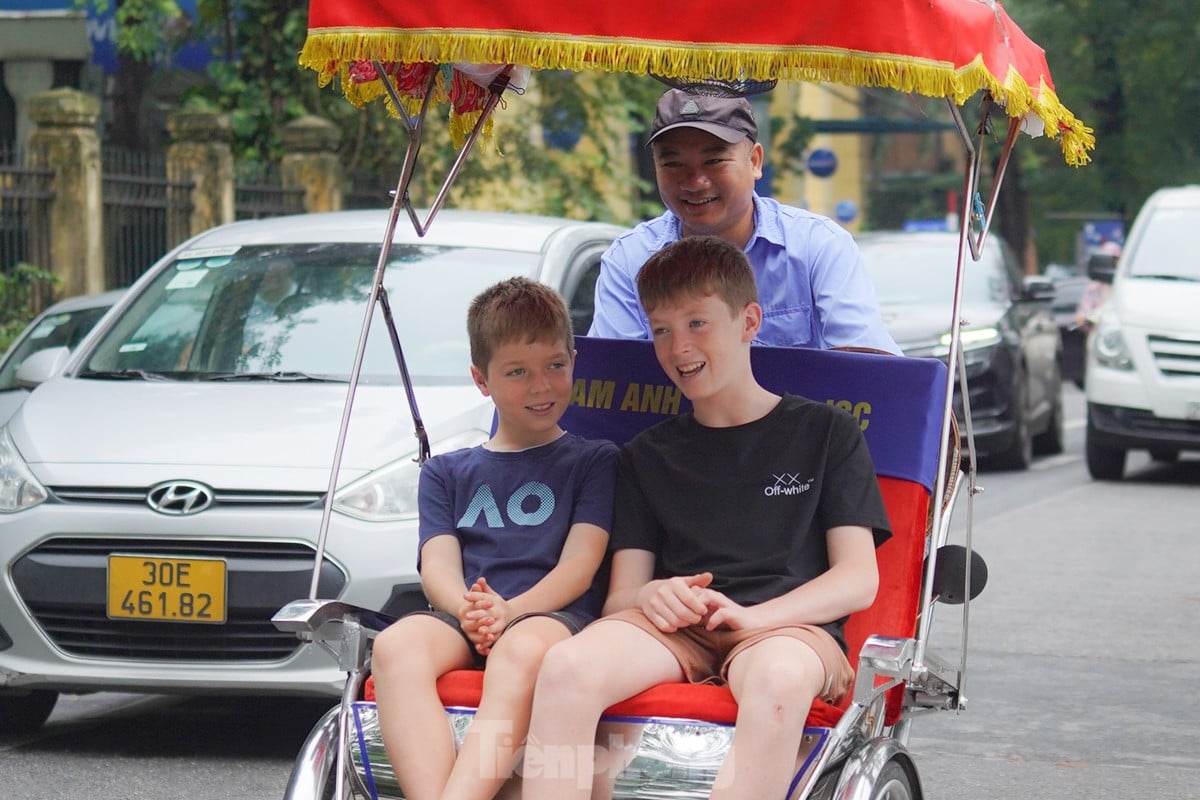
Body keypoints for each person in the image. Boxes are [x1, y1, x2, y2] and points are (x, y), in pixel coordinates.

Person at [522, 236, 893, 800]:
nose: (678, 347)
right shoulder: (645, 454)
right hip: (676, 629)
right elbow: (623, 595)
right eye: (662, 330)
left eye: (697, 323)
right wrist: (652, 597)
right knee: (566, 667)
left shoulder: (825, 432)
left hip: (786, 628)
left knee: (776, 681)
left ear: (748, 321)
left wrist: (752, 617)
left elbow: (857, 579)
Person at [369, 277, 618, 800]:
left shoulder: (594, 460)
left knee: (520, 651)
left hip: (553, 616)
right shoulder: (446, 472)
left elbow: (581, 562)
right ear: (482, 381)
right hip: (468, 617)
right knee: (394, 647)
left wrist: (512, 613)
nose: (542, 386)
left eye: (555, 365)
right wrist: (471, 612)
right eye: (517, 373)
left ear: (574, 360)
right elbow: (437, 565)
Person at [589, 88, 901, 355]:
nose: (695, 181)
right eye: (673, 164)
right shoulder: (629, 260)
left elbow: (871, 369)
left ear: (754, 161)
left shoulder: (817, 246)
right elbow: (613, 381)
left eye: (714, 161)